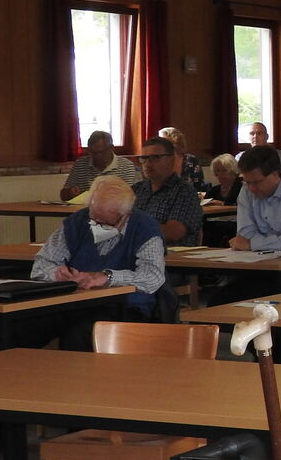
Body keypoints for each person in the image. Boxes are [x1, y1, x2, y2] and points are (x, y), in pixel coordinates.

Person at [30, 176, 168, 346]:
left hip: (124, 306)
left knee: (81, 334)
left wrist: (107, 278)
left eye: (105, 223)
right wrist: (57, 274)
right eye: (93, 218)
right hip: (73, 302)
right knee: (16, 325)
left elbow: (153, 276)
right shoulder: (77, 222)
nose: (96, 225)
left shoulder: (145, 228)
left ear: (126, 215)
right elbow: (41, 264)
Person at [131, 136, 204, 245]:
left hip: (172, 257)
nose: (147, 164)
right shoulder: (136, 190)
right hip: (135, 255)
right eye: (144, 158)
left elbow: (173, 233)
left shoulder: (184, 192)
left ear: (171, 159)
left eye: (155, 158)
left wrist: (131, 229)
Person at [60, 130, 139, 198]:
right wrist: (70, 193)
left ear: (111, 148)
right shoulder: (80, 164)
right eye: (92, 152)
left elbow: (133, 196)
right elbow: (63, 196)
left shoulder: (126, 166)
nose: (96, 156)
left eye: (100, 152)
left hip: (116, 212)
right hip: (87, 212)